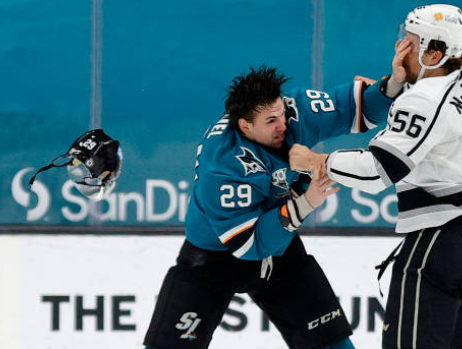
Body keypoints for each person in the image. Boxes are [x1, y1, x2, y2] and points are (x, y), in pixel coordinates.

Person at [289, 5, 462, 349]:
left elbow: (378, 171)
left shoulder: (424, 100)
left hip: (440, 243)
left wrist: (319, 160)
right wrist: (397, 85)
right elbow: (436, 120)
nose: (400, 47)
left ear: (434, 53)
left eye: (410, 41)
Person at [142, 65, 393, 349]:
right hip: (213, 259)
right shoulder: (222, 168)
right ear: (245, 126)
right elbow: (251, 246)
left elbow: (352, 106)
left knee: (332, 342)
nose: (283, 125)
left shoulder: (292, 110)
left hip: (281, 250)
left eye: (281, 113)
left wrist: (392, 87)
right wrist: (306, 202)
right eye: (271, 120)